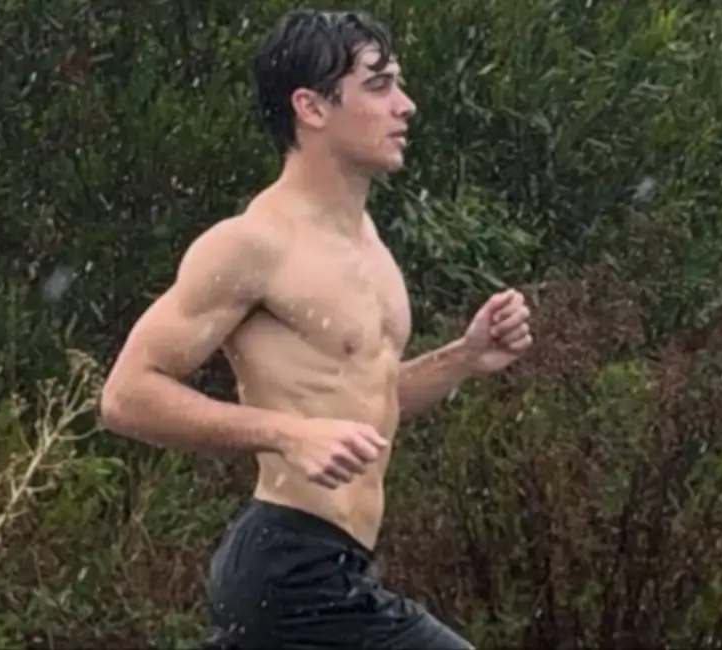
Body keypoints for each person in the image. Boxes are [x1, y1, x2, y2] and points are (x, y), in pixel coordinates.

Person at [98, 8, 533, 649]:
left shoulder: (369, 244)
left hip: (331, 565)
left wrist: (463, 357)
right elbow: (126, 396)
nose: (405, 105)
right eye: (379, 85)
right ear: (311, 107)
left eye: (398, 83)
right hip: (290, 569)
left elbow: (363, 400)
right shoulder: (255, 243)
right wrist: (286, 432)